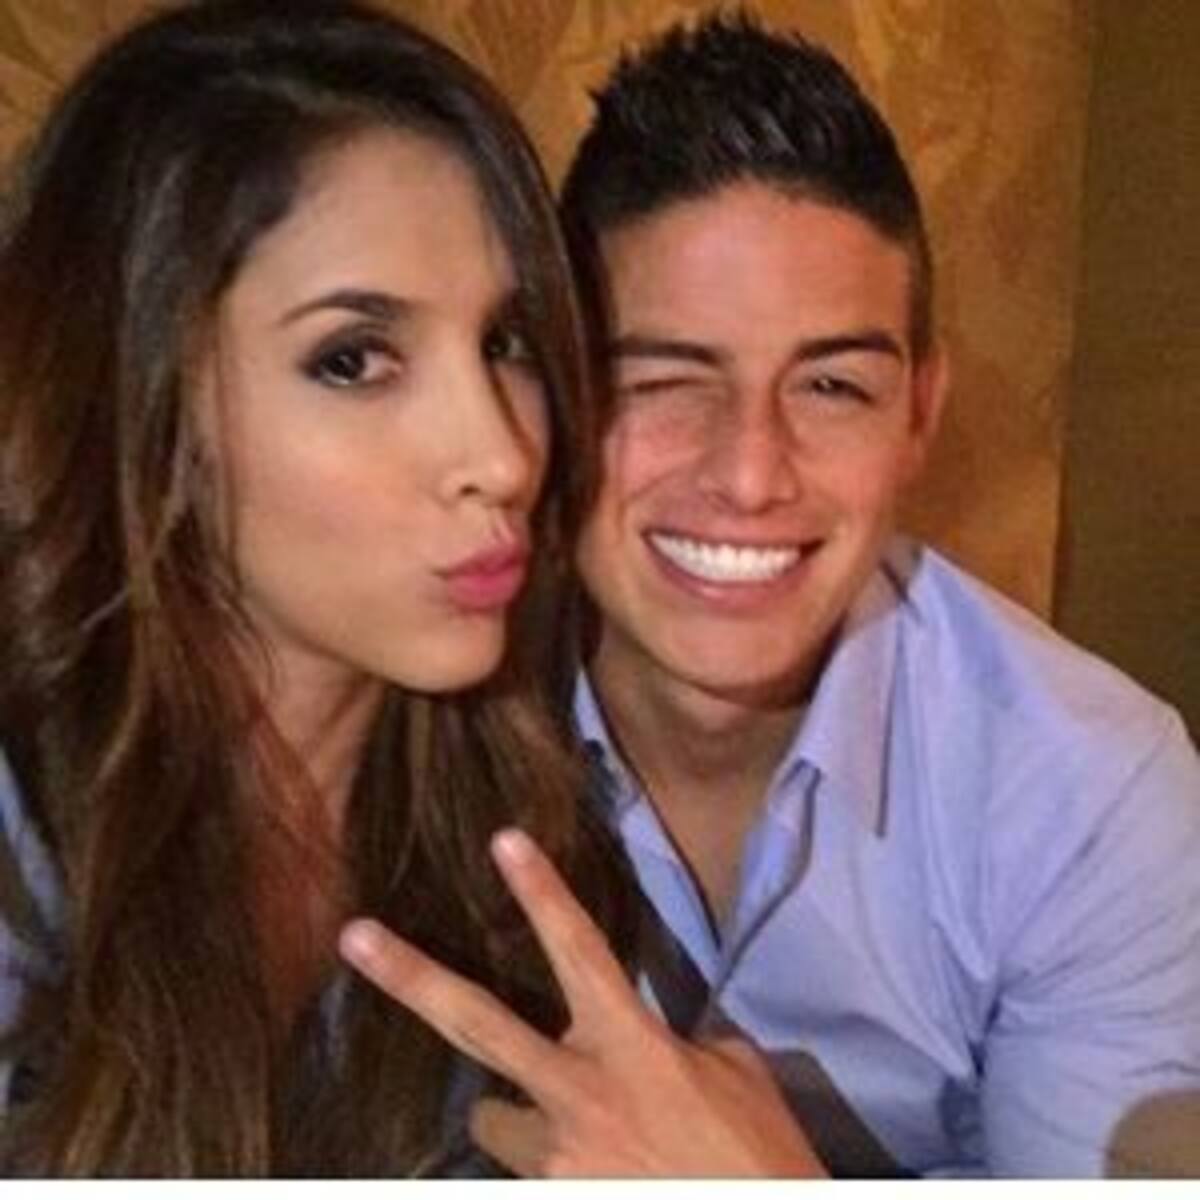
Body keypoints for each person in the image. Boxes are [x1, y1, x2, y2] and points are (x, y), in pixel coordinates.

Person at [340, 12, 1200, 1178]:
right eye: (663, 379)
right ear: (556, 392)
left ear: (920, 415)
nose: (750, 474)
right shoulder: (391, 700)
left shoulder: (1092, 797)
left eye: (833, 386)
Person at [0, 0, 636, 1176]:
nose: (501, 457)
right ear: (143, 399)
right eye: (354, 360)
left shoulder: (527, 826)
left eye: (505, 342)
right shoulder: (30, 843)